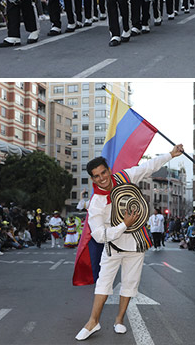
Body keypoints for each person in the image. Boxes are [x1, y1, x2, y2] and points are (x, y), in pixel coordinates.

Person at [75, 144, 184, 340]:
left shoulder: (124, 177)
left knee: (129, 284)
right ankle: (93, 322)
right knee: (103, 284)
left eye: (103, 172)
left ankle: (119, 320)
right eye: (97, 176)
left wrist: (170, 154)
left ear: (109, 170)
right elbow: (99, 235)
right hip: (112, 247)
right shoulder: (96, 202)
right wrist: (123, 225)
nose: (102, 178)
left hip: (136, 245)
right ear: (92, 179)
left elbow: (148, 167)